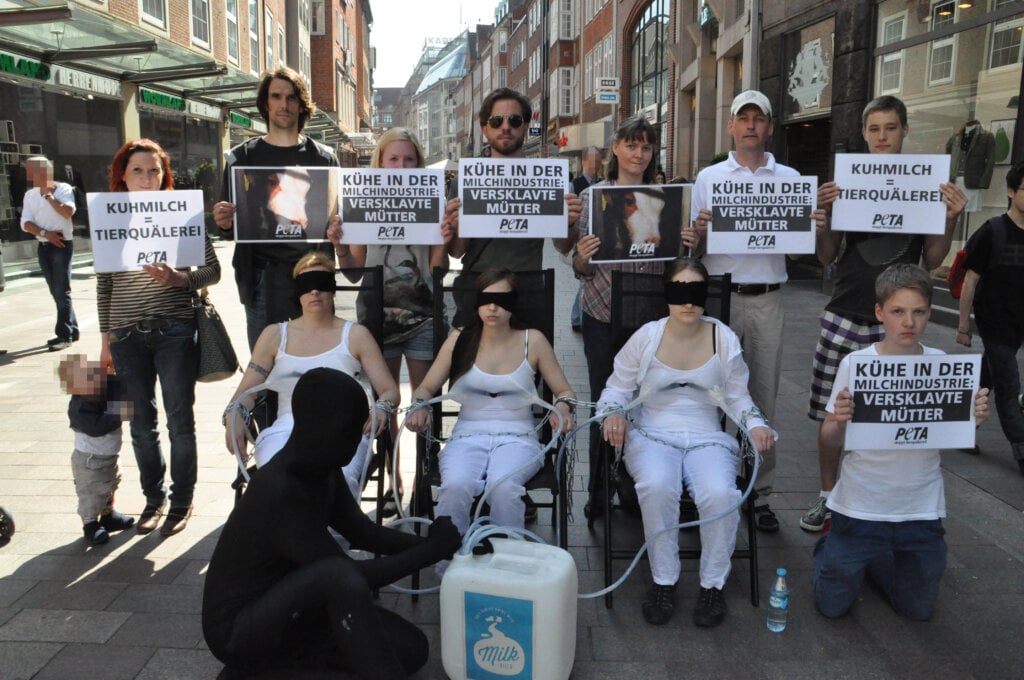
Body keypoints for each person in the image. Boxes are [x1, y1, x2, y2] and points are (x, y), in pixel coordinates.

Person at [204, 368, 462, 678]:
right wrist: (432, 550)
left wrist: (444, 546)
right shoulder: (279, 491)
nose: (361, 438)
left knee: (411, 648)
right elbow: (349, 577)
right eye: (356, 430)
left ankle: (270, 669)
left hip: (294, 609)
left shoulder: (322, 468)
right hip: (240, 632)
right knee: (337, 576)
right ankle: (251, 666)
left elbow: (363, 533)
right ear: (336, 431)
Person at [805, 95, 969, 531]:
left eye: (890, 128)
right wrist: (824, 215)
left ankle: (874, 502)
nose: (882, 136)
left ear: (904, 131)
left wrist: (950, 218)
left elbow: (932, 259)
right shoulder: (847, 181)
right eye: (874, 129)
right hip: (844, 312)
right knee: (832, 417)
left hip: (896, 320)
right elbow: (826, 257)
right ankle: (827, 497)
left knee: (886, 415)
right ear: (864, 133)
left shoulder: (924, 183)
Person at [598, 257, 775, 627]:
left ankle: (713, 585)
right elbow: (616, 388)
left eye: (695, 292)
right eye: (680, 292)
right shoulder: (646, 337)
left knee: (720, 493)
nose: (688, 302)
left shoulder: (722, 338)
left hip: (708, 434)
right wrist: (613, 413)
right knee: (658, 486)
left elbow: (739, 397)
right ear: (667, 294)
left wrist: (756, 424)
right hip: (652, 432)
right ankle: (664, 579)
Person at [814, 264, 989, 620]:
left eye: (918, 312)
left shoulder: (941, 365)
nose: (908, 322)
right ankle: (831, 550)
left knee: (918, 610)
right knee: (831, 607)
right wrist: (837, 419)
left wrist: (974, 418)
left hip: (920, 511)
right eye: (898, 311)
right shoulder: (857, 364)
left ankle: (877, 560)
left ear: (928, 313)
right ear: (880, 313)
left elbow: (951, 432)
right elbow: (830, 439)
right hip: (859, 509)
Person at [688, 90, 827, 533]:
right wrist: (701, 231)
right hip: (719, 296)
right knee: (713, 394)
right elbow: (693, 247)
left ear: (769, 127)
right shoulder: (709, 177)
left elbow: (808, 251)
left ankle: (760, 493)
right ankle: (712, 482)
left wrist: (814, 226)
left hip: (768, 297)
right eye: (742, 117)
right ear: (731, 126)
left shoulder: (789, 177)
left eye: (758, 118)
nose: (750, 125)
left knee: (763, 395)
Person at [573, 115, 696, 520]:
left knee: (644, 405)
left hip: (650, 319)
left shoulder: (666, 198)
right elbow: (579, 265)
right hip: (602, 313)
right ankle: (598, 489)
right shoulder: (596, 198)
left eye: (645, 147)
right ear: (615, 148)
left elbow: (678, 265)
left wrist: (691, 244)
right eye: (631, 145)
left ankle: (631, 484)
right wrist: (583, 257)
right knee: (604, 402)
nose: (638, 153)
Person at [328, 127, 456, 514]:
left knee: (425, 402)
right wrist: (338, 245)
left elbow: (438, 271)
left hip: (423, 317)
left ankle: (423, 484)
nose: (401, 166)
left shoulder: (432, 199)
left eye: (409, 159)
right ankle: (392, 482)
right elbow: (351, 271)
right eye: (393, 159)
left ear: (419, 163)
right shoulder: (362, 198)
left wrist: (443, 242)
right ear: (379, 162)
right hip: (375, 323)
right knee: (382, 405)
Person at [98, 138, 221, 537]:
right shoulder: (109, 217)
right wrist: (105, 341)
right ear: (123, 175)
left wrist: (181, 278)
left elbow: (213, 269)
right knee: (140, 425)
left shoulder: (181, 213)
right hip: (125, 334)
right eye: (138, 170)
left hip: (174, 331)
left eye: (155, 170)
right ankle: (154, 498)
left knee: (179, 421)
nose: (148, 178)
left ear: (165, 174)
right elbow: (104, 286)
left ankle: (181, 500)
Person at [405, 269, 575, 538]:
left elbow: (564, 391)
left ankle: (506, 562)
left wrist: (563, 408)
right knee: (456, 485)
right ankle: (448, 561)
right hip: (467, 435)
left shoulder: (534, 340)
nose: (493, 307)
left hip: (518, 437)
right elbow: (426, 387)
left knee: (503, 486)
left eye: (501, 300)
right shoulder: (460, 338)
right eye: (486, 299)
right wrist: (420, 405)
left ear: (513, 303)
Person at [224, 251, 400, 499]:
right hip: (286, 430)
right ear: (297, 291)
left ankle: (335, 537)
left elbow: (389, 390)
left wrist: (381, 406)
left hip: (342, 431)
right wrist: (235, 413)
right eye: (307, 285)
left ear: (333, 290)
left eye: (322, 284)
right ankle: (287, 537)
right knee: (278, 476)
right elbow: (246, 391)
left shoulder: (356, 335)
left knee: (338, 479)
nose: (314, 292)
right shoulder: (274, 335)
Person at [213, 67, 340, 351]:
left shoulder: (324, 159)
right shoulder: (242, 157)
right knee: (265, 363)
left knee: (314, 359)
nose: (284, 104)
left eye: (292, 97)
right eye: (276, 96)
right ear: (266, 103)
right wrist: (223, 220)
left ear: (302, 105)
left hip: (313, 275)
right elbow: (229, 225)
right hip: (261, 278)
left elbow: (336, 216)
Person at [448, 87, 583, 325]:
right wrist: (458, 228)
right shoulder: (466, 180)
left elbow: (562, 246)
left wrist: (569, 223)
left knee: (528, 360)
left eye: (514, 120)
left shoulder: (545, 179)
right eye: (497, 121)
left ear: (525, 126)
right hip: (478, 284)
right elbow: (457, 252)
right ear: (485, 129)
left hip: (527, 288)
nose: (505, 127)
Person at [955, 161, 1024, 476]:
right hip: (996, 322)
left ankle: (962, 428)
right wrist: (963, 326)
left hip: (1020, 322)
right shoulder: (993, 230)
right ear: (1011, 192)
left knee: (987, 377)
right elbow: (970, 280)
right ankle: (1022, 449)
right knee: (1009, 384)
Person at [58, 354, 135, 546]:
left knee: (110, 485)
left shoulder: (103, 390)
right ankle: (90, 524)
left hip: (109, 456)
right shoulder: (79, 407)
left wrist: (115, 378)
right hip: (89, 461)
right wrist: (117, 412)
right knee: (91, 494)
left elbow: (123, 403)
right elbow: (98, 427)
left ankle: (109, 515)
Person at [20, 156, 78, 351]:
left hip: (62, 245)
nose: (29, 174)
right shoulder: (29, 195)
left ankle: (64, 335)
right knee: (56, 291)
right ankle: (72, 329)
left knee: (62, 291)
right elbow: (26, 223)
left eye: (32, 169)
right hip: (44, 245)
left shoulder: (63, 189)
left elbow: (67, 213)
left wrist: (49, 197)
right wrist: (45, 234)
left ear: (45, 171)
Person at [570, 146, 605, 332]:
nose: (596, 165)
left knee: (587, 281)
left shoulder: (603, 182)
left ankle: (577, 316)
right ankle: (577, 317)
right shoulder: (575, 184)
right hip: (582, 237)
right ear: (583, 162)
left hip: (598, 237)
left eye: (599, 161)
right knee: (584, 279)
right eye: (593, 161)